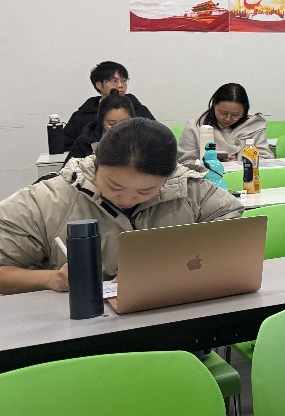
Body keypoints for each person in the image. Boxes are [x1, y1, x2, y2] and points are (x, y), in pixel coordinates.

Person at [0, 118, 245, 295]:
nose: (127, 199)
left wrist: (170, 266)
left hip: (171, 316)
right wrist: (51, 278)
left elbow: (234, 234)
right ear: (96, 164)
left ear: (167, 178)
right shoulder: (46, 200)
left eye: (145, 191)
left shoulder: (189, 191)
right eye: (114, 186)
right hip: (78, 330)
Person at [176, 83, 272, 167]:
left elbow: (267, 161)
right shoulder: (196, 126)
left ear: (244, 111)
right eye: (222, 113)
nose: (228, 119)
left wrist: (238, 164)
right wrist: (210, 164)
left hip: (244, 178)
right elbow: (184, 162)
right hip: (205, 180)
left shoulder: (254, 127)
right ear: (214, 105)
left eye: (235, 115)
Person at [63, 61, 155, 146]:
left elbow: (157, 139)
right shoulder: (82, 116)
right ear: (99, 85)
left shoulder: (140, 111)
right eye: (115, 81)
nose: (121, 85)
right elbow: (66, 146)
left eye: (123, 80)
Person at [64, 92, 135, 162]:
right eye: (112, 124)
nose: (118, 128)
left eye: (124, 123)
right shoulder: (85, 142)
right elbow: (68, 168)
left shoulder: (140, 141)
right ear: (101, 121)